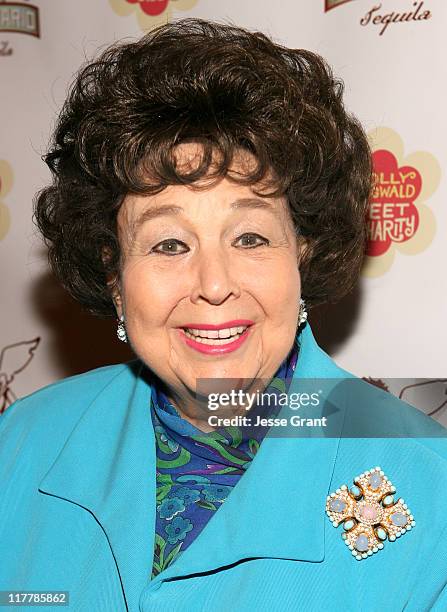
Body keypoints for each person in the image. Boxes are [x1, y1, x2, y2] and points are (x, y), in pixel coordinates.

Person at [1, 18, 446, 612]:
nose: (213, 285)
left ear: (302, 250)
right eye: (168, 244)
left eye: (251, 239)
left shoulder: (428, 486)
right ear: (113, 273)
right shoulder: (20, 445)